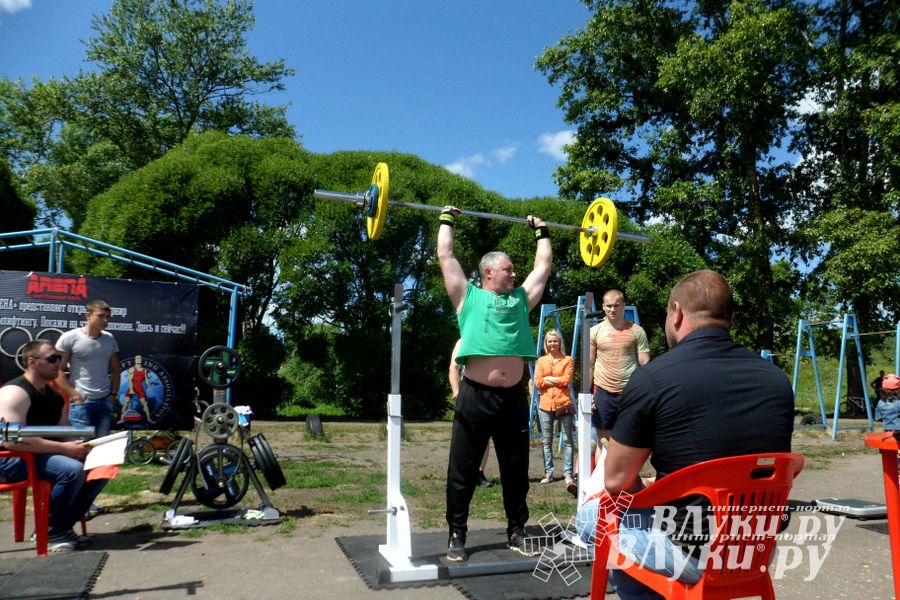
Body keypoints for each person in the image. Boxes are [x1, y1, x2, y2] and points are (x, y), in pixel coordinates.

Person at [577, 270, 795, 599]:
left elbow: (616, 481)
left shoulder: (654, 379)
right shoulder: (776, 380)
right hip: (755, 549)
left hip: (690, 553)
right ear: (730, 317)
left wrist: (648, 491)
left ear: (677, 313)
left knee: (591, 516)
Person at [437, 205, 551, 562]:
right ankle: (457, 533)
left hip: (513, 399)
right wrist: (446, 220)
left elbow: (542, 267)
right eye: (508, 269)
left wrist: (542, 231)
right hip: (475, 395)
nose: (514, 274)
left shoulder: (520, 300)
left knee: (516, 470)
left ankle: (517, 530)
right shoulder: (467, 297)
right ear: (488, 273)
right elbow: (446, 256)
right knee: (463, 469)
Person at [0, 340, 105, 552]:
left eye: (59, 358)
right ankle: (51, 532)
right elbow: (11, 441)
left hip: (41, 454)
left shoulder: (55, 397)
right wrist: (64, 449)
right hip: (11, 459)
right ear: (32, 362)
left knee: (100, 467)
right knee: (72, 470)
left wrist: (82, 446)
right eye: (52, 358)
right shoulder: (14, 393)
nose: (59, 363)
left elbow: (64, 433)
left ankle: (61, 526)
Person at [589, 289, 650, 441]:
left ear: (623, 305)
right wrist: (587, 394)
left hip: (630, 390)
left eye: (616, 305)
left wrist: (645, 391)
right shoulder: (594, 332)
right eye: (609, 306)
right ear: (603, 307)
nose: (612, 309)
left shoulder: (637, 331)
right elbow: (589, 365)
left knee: (631, 439)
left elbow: (645, 363)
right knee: (603, 440)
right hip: (603, 391)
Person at [55, 299, 122, 439]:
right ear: (88, 315)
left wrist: (113, 394)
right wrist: (74, 394)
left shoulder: (109, 338)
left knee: (102, 445)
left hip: (105, 401)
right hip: (81, 402)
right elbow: (57, 370)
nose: (105, 320)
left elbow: (116, 369)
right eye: (100, 316)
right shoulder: (70, 337)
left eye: (107, 317)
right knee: (82, 445)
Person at [534, 329, 575, 491]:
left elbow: (566, 380)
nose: (552, 343)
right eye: (549, 341)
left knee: (568, 440)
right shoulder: (541, 361)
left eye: (555, 341)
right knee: (546, 441)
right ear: (546, 343)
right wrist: (555, 380)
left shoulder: (568, 360)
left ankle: (568, 474)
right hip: (545, 404)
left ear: (560, 343)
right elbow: (538, 382)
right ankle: (548, 473)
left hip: (563, 403)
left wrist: (548, 379)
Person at [448, 339, 492, 488]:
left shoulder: (489, 339)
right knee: (464, 437)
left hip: (487, 395)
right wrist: (456, 391)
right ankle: (463, 474)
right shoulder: (463, 341)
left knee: (485, 437)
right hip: (468, 394)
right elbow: (453, 368)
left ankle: (479, 472)